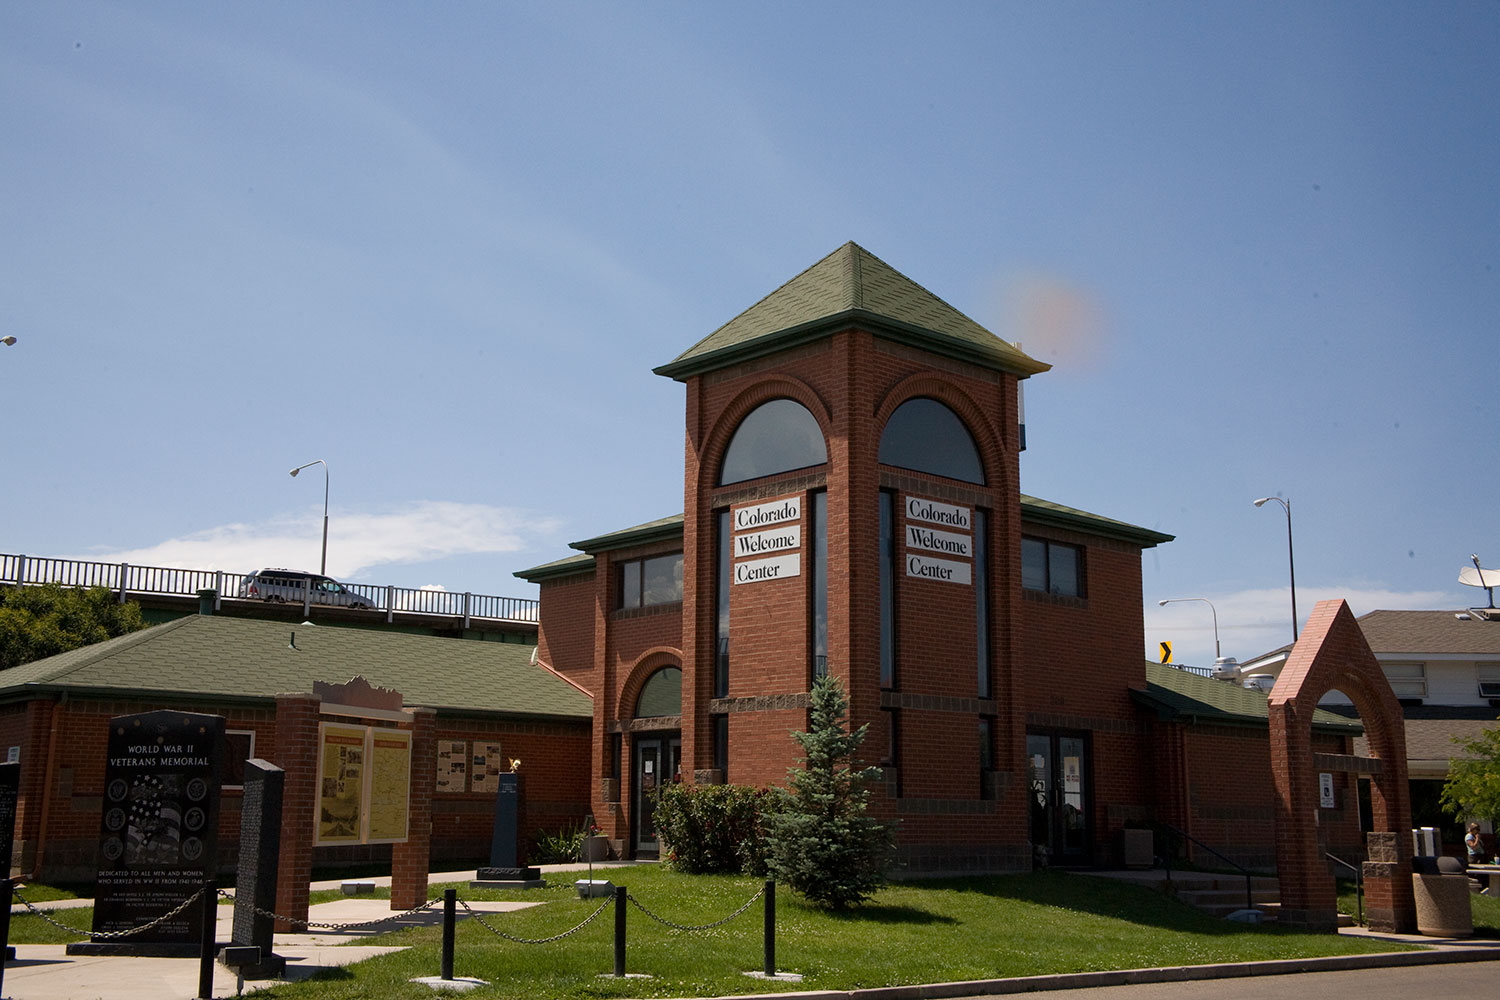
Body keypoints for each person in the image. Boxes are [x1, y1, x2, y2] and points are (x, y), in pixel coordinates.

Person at [1467, 822, 1490, 894]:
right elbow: (1473, 847)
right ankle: (1478, 890)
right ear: (1472, 829)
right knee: (1476, 874)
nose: (1478, 831)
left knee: (1484, 874)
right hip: (1474, 857)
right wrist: (1477, 838)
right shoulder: (1469, 837)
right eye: (1477, 829)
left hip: (1481, 856)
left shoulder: (1475, 836)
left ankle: (1485, 887)